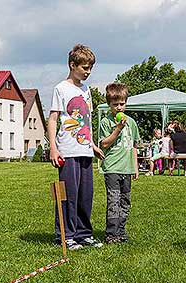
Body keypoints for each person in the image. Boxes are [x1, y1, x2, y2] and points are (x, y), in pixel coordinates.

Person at [47, 44, 104, 250]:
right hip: (68, 151)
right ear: (73, 65)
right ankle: (65, 235)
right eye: (85, 68)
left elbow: (85, 122)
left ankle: (83, 233)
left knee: (85, 195)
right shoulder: (61, 89)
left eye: (90, 68)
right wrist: (53, 147)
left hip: (85, 150)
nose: (88, 72)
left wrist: (93, 145)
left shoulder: (86, 90)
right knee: (69, 195)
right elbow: (53, 119)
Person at [99, 83, 140, 244]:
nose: (119, 107)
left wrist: (135, 167)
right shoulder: (106, 122)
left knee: (125, 201)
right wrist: (117, 129)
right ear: (109, 105)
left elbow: (134, 146)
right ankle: (111, 234)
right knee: (113, 201)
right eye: (115, 104)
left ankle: (121, 231)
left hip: (127, 167)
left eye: (122, 104)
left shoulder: (131, 122)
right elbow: (104, 144)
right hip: (112, 168)